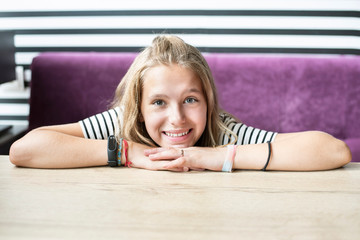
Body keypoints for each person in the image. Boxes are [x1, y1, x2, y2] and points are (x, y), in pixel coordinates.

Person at [9, 35, 351, 172]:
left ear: (209, 103)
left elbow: (333, 152)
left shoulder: (222, 132)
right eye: (158, 102)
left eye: (190, 99)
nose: (177, 119)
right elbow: (24, 150)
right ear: (139, 108)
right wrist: (128, 152)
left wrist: (217, 156)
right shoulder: (122, 124)